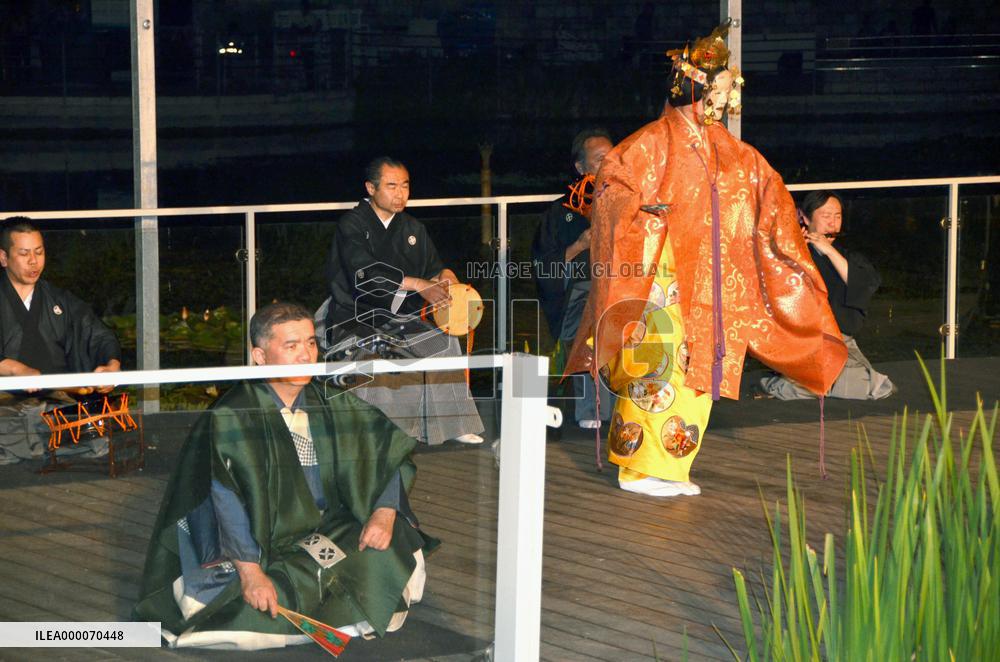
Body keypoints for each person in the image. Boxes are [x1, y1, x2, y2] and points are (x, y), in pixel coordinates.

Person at [565, 21, 847, 498]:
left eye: (726, 88)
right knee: (654, 369)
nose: (723, 98)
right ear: (694, 88)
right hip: (660, 276)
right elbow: (610, 194)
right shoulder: (649, 144)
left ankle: (671, 468)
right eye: (717, 88)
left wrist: (780, 224)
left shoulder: (731, 151)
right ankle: (635, 468)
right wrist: (647, 219)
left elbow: (766, 189)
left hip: (710, 284)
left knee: (699, 371)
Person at [135, 302, 435, 649]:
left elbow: (385, 451)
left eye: (310, 343)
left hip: (323, 529)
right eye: (291, 346)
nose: (306, 355)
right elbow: (225, 503)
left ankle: (324, 610)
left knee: (393, 541)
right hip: (254, 546)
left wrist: (384, 513)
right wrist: (251, 573)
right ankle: (326, 612)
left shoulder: (328, 397)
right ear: (260, 356)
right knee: (242, 602)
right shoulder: (232, 415)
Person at [320, 156, 485, 446]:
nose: (400, 194)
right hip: (356, 317)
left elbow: (434, 267)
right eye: (391, 186)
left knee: (444, 343)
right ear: (370, 188)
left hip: (401, 317)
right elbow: (364, 273)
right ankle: (386, 433)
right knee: (377, 356)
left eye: (405, 186)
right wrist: (418, 284)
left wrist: (447, 279)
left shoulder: (412, 228)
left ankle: (452, 424)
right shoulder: (352, 224)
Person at [0, 216, 121, 464]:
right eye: (24, 253)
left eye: (39, 252)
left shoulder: (58, 300)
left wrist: (111, 364)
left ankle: (39, 444)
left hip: (52, 402)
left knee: (94, 438)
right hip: (5, 403)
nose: (33, 261)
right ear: (3, 258)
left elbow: (97, 333)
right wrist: (12, 367)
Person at [758, 191, 895, 400]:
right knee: (868, 386)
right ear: (804, 217)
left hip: (837, 343)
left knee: (871, 387)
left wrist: (829, 251)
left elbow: (867, 283)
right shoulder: (790, 250)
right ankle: (795, 382)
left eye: (837, 216)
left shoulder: (846, 255)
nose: (833, 224)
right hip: (802, 343)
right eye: (826, 216)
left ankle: (799, 384)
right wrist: (797, 250)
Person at [531, 128, 616, 429]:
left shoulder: (626, 201)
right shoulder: (561, 212)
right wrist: (579, 245)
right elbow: (544, 266)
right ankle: (592, 410)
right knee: (589, 314)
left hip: (620, 286)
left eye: (612, 158)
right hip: (578, 292)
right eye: (599, 160)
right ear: (580, 168)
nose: (608, 165)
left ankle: (643, 405)